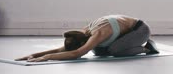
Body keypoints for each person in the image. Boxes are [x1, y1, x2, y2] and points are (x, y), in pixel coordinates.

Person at [15, 15, 159, 62]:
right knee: (99, 52)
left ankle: (147, 48)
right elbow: (64, 49)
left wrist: (47, 58)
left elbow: (77, 53)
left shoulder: (98, 34)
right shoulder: (83, 33)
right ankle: (139, 46)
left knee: (115, 50)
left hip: (140, 30)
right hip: (124, 33)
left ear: (83, 42)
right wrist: (34, 55)